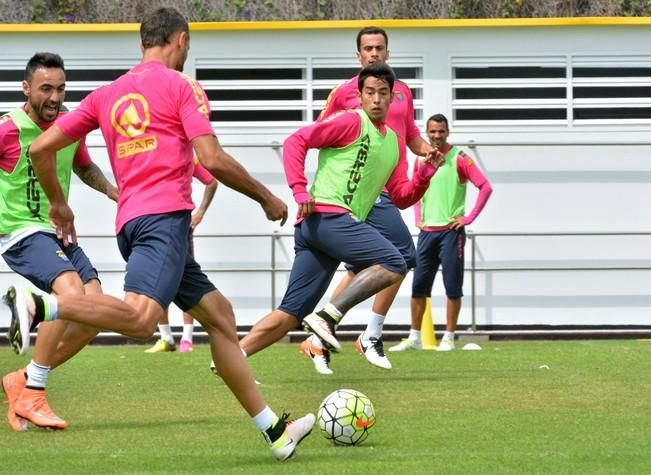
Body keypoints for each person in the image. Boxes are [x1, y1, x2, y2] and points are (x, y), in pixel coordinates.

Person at [10, 7, 314, 461]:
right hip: (165, 220)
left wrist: (58, 202)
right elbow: (210, 159)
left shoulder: (105, 95)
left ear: (141, 45)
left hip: (132, 225)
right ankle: (40, 305)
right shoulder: (182, 87)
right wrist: (265, 198)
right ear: (181, 41)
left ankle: (274, 431)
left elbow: (38, 148)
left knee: (221, 318)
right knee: (141, 320)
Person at [237, 62, 443, 375]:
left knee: (292, 313)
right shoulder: (350, 121)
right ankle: (328, 317)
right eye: (370, 93)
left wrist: (425, 173)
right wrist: (300, 192)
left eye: (383, 93)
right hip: (326, 217)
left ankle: (231, 358)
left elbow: (401, 196)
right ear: (359, 96)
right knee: (395, 261)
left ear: (393, 98)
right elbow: (296, 141)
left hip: (323, 233)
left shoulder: (393, 143)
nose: (376, 99)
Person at [297, 26, 437, 373]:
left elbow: (411, 136)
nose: (373, 53)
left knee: (369, 267)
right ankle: (369, 334)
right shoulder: (345, 93)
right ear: (358, 55)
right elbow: (322, 133)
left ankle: (318, 335)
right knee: (402, 255)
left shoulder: (401, 93)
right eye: (367, 48)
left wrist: (427, 152)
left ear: (387, 52)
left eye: (379, 47)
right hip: (365, 194)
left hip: (393, 188)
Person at [1, 52, 118, 431]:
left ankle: (20, 379)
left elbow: (84, 165)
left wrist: (115, 193)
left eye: (61, 88)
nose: (54, 97)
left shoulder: (68, 127)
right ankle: (35, 392)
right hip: (20, 231)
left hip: (58, 233)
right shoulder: (7, 129)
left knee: (94, 310)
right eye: (45, 88)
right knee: (69, 290)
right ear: (26, 88)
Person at [390, 113, 492, 352]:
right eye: (432, 131)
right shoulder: (421, 159)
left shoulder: (460, 158)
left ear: (447, 132)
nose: (436, 136)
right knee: (418, 287)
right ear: (427, 133)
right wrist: (417, 217)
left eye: (441, 131)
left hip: (450, 233)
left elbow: (486, 187)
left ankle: (448, 337)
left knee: (452, 286)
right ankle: (414, 338)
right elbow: (415, 189)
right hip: (427, 233)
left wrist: (468, 218)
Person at [146, 159, 217, 353]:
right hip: (154, 228)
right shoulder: (148, 156)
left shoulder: (186, 157)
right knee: (159, 282)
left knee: (183, 281)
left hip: (180, 228)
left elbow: (211, 181)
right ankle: (166, 337)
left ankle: (187, 338)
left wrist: (200, 212)